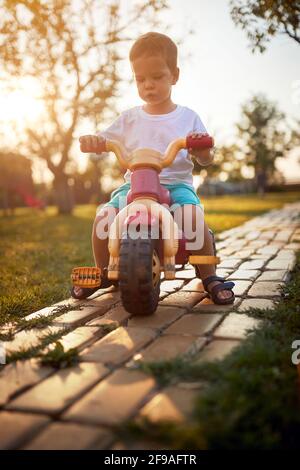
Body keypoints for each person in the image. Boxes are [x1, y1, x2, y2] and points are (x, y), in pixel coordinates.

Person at [72, 32, 235, 304]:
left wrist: (201, 150)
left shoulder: (187, 117)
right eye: (140, 79)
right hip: (134, 186)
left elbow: (207, 159)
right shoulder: (129, 119)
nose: (148, 85)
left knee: (193, 217)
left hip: (175, 185)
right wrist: (95, 141)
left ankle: (209, 275)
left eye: (157, 77)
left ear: (175, 75)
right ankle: (103, 272)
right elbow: (106, 139)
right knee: (104, 217)